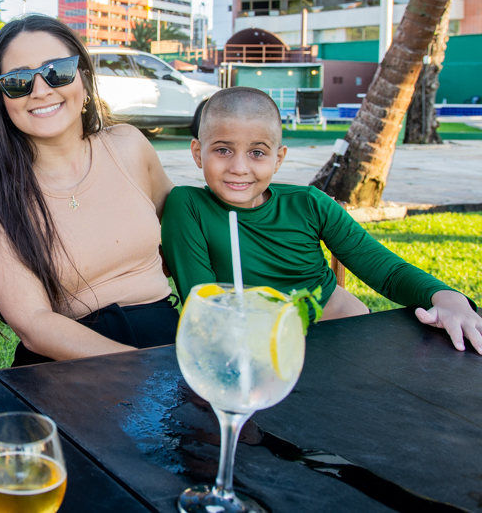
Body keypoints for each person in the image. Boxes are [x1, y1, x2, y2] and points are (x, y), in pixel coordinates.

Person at [161, 86, 482, 353]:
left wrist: (447, 298)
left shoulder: (309, 203)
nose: (239, 168)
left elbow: (387, 271)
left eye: (257, 152)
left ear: (278, 158)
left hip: (344, 338)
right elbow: (205, 304)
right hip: (252, 351)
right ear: (197, 152)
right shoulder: (188, 205)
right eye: (222, 150)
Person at [0, 15, 179, 369]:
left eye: (57, 71)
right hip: (68, 369)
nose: (41, 90)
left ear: (84, 79)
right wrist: (142, 369)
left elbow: (187, 226)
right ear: (1, 100)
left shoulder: (130, 147)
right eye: (18, 81)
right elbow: (34, 324)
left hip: (167, 345)